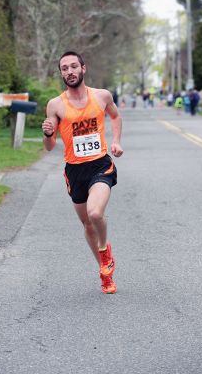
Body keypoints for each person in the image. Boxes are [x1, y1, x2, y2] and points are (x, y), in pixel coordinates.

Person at [42, 51, 123, 294]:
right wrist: (47, 133)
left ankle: (105, 250)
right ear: (61, 73)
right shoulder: (55, 105)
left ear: (83, 68)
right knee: (87, 225)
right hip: (74, 171)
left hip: (100, 165)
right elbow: (49, 147)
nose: (69, 71)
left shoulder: (101, 96)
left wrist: (116, 141)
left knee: (95, 213)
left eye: (73, 66)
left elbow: (115, 116)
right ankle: (105, 271)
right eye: (64, 68)